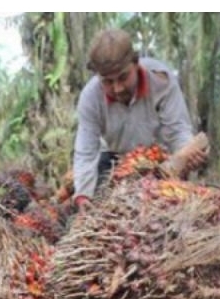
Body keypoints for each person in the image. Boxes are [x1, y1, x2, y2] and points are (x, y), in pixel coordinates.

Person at [72, 28, 209, 209]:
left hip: (159, 160)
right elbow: (86, 152)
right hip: (114, 163)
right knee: (105, 209)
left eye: (123, 77)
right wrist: (82, 195)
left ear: (136, 64)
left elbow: (178, 131)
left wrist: (187, 157)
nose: (118, 88)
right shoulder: (90, 98)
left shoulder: (162, 81)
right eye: (108, 82)